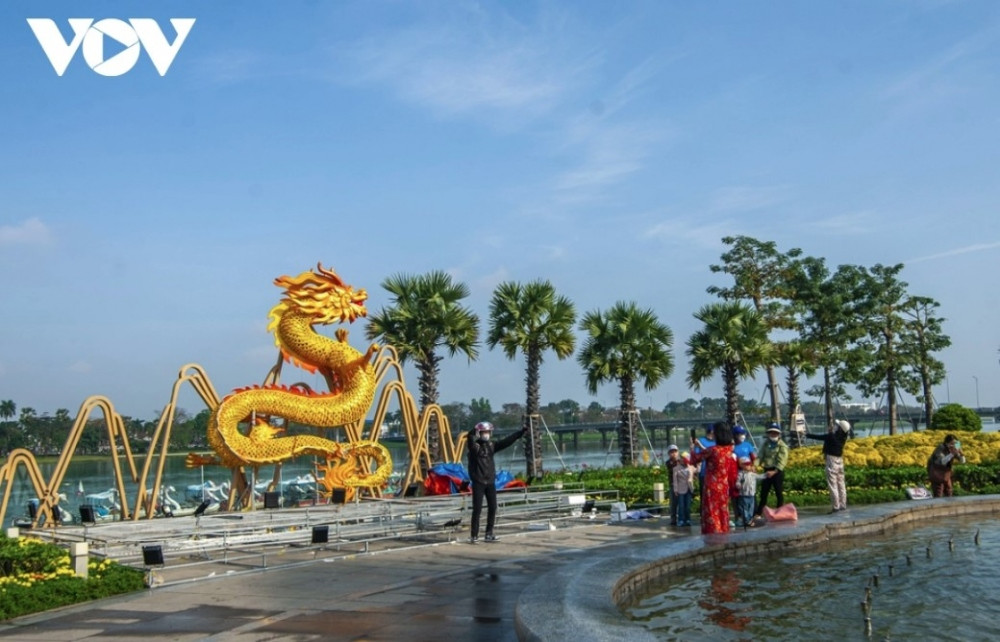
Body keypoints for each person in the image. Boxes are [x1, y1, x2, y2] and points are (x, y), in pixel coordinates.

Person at [466, 421, 525, 543]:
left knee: (493, 507)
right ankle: (474, 535)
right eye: (484, 432)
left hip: (490, 481)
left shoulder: (491, 445)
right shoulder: (474, 447)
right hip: (478, 481)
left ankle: (489, 533)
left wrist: (521, 432)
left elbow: (507, 441)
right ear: (479, 433)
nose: (486, 434)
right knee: (477, 509)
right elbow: (469, 437)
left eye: (488, 432)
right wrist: (475, 428)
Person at [689, 421, 737, 534]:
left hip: (711, 486)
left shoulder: (713, 450)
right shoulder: (729, 450)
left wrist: (691, 447)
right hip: (724, 487)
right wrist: (700, 445)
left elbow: (694, 459)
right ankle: (723, 531)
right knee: (722, 511)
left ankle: (713, 534)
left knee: (711, 511)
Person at [805, 418, 850, 512]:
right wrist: (831, 431)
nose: (835, 427)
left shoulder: (831, 436)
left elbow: (820, 437)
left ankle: (836, 507)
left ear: (840, 429)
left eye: (837, 426)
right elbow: (830, 436)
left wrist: (806, 435)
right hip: (840, 461)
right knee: (841, 484)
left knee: (833, 484)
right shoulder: (843, 437)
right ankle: (843, 505)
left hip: (832, 460)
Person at [754, 422, 789, 520]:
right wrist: (755, 466)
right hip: (767, 470)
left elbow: (782, 460)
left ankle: (779, 512)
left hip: (777, 471)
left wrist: (774, 471)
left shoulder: (782, 446)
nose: (773, 435)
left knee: (778, 492)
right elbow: (760, 456)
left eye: (775, 433)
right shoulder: (766, 444)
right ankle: (759, 513)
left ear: (778, 434)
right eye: (771, 433)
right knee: (764, 492)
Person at [692, 424, 716, 521]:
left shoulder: (717, 442)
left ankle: (714, 513)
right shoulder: (701, 441)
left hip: (715, 473)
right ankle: (704, 514)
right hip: (704, 472)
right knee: (704, 494)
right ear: (711, 432)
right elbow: (697, 455)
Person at [735, 456, 763, 527]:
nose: (748, 466)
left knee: (751, 508)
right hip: (743, 494)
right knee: (744, 508)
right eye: (746, 465)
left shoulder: (752, 474)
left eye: (749, 464)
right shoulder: (741, 474)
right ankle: (747, 520)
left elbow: (760, 476)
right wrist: (738, 485)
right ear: (741, 466)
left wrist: (766, 475)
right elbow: (737, 482)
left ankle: (749, 519)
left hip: (751, 494)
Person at [673, 451, 696, 527]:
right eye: (683, 458)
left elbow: (698, 470)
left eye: (685, 458)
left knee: (688, 506)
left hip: (689, 488)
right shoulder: (676, 468)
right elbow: (675, 480)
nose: (684, 460)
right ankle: (681, 520)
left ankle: (688, 519)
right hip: (680, 489)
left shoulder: (691, 467)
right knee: (681, 506)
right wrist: (675, 490)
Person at [665, 444, 681, 525]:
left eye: (675, 451)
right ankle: (673, 519)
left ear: (678, 452)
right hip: (673, 485)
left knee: (681, 503)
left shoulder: (681, 461)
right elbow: (673, 469)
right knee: (673, 503)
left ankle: (682, 518)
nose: (673, 453)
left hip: (682, 485)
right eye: (671, 452)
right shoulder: (668, 462)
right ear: (668, 453)